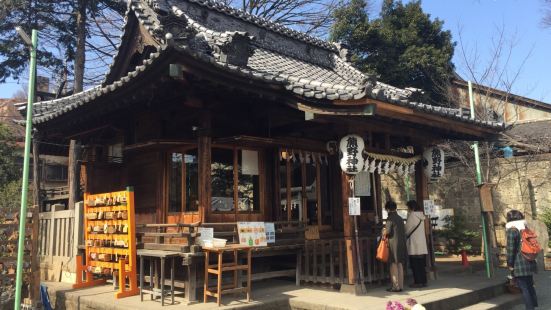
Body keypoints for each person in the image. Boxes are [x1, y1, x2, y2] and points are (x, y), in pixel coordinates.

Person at [506, 210, 538, 310]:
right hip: (530, 260)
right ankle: (534, 306)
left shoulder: (512, 230)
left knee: (524, 288)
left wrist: (510, 264)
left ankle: (530, 308)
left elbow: (511, 249)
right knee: (530, 286)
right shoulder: (525, 228)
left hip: (519, 263)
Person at [384, 201, 407, 292]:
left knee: (393, 264)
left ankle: (395, 286)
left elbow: (388, 232)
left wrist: (383, 231)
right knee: (400, 264)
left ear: (388, 209)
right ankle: (401, 285)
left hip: (393, 244)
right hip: (401, 243)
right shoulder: (400, 218)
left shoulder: (390, 218)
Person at [405, 200, 428, 288]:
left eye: (408, 207)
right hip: (421, 243)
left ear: (411, 207)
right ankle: (423, 281)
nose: (408, 209)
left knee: (415, 264)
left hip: (414, 243)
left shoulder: (412, 216)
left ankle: (418, 282)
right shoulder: (421, 216)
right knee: (421, 264)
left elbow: (407, 229)